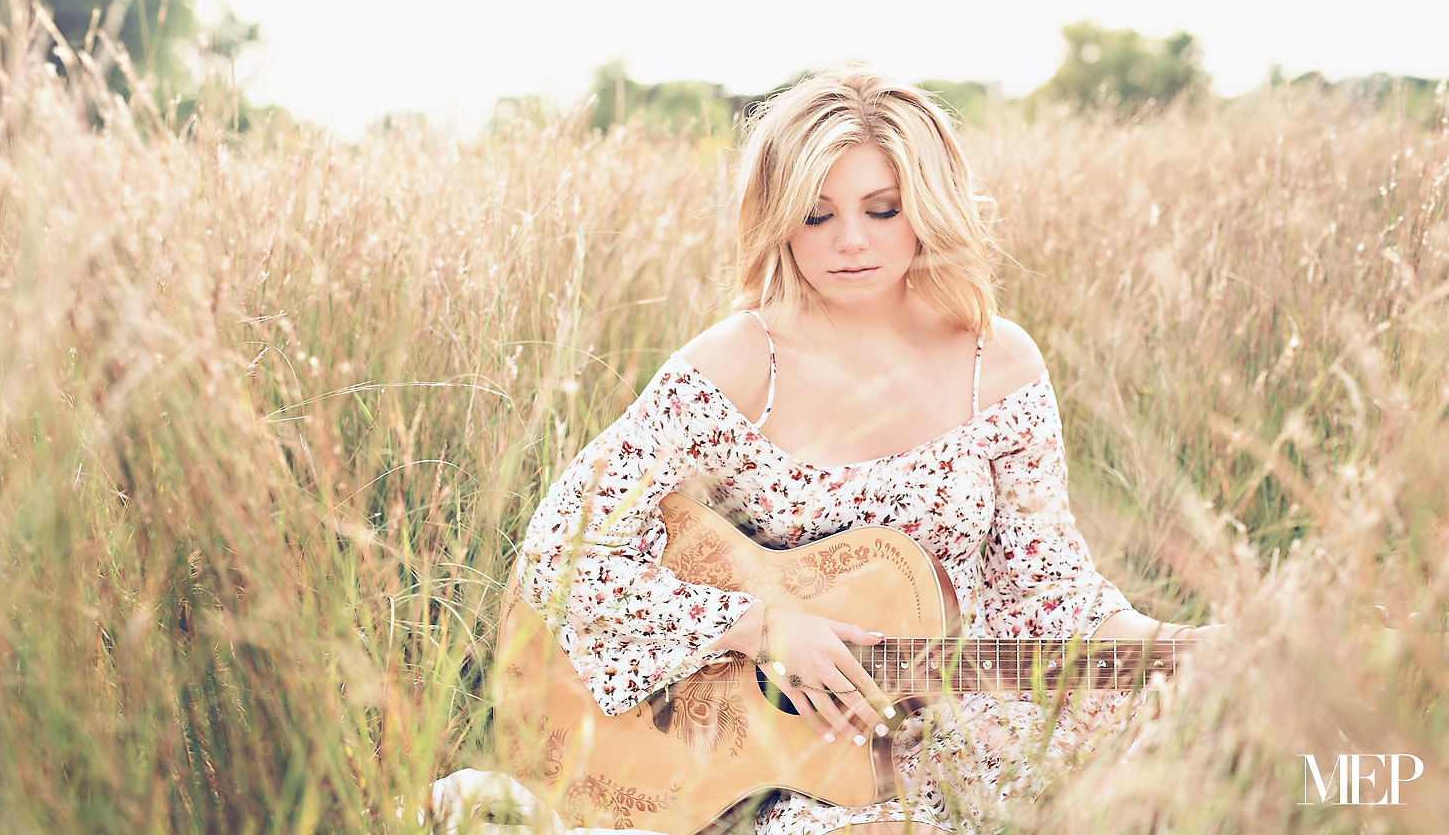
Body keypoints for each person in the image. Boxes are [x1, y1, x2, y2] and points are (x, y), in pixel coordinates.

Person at [513, 70, 1211, 834]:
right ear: (779, 220)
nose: (851, 241)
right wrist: (760, 627)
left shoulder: (998, 365)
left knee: (1186, 776)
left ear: (928, 206)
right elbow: (562, 550)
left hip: (956, 723)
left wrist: (1196, 648)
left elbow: (1052, 597)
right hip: (790, 765)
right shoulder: (743, 365)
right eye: (816, 216)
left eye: (882, 209)